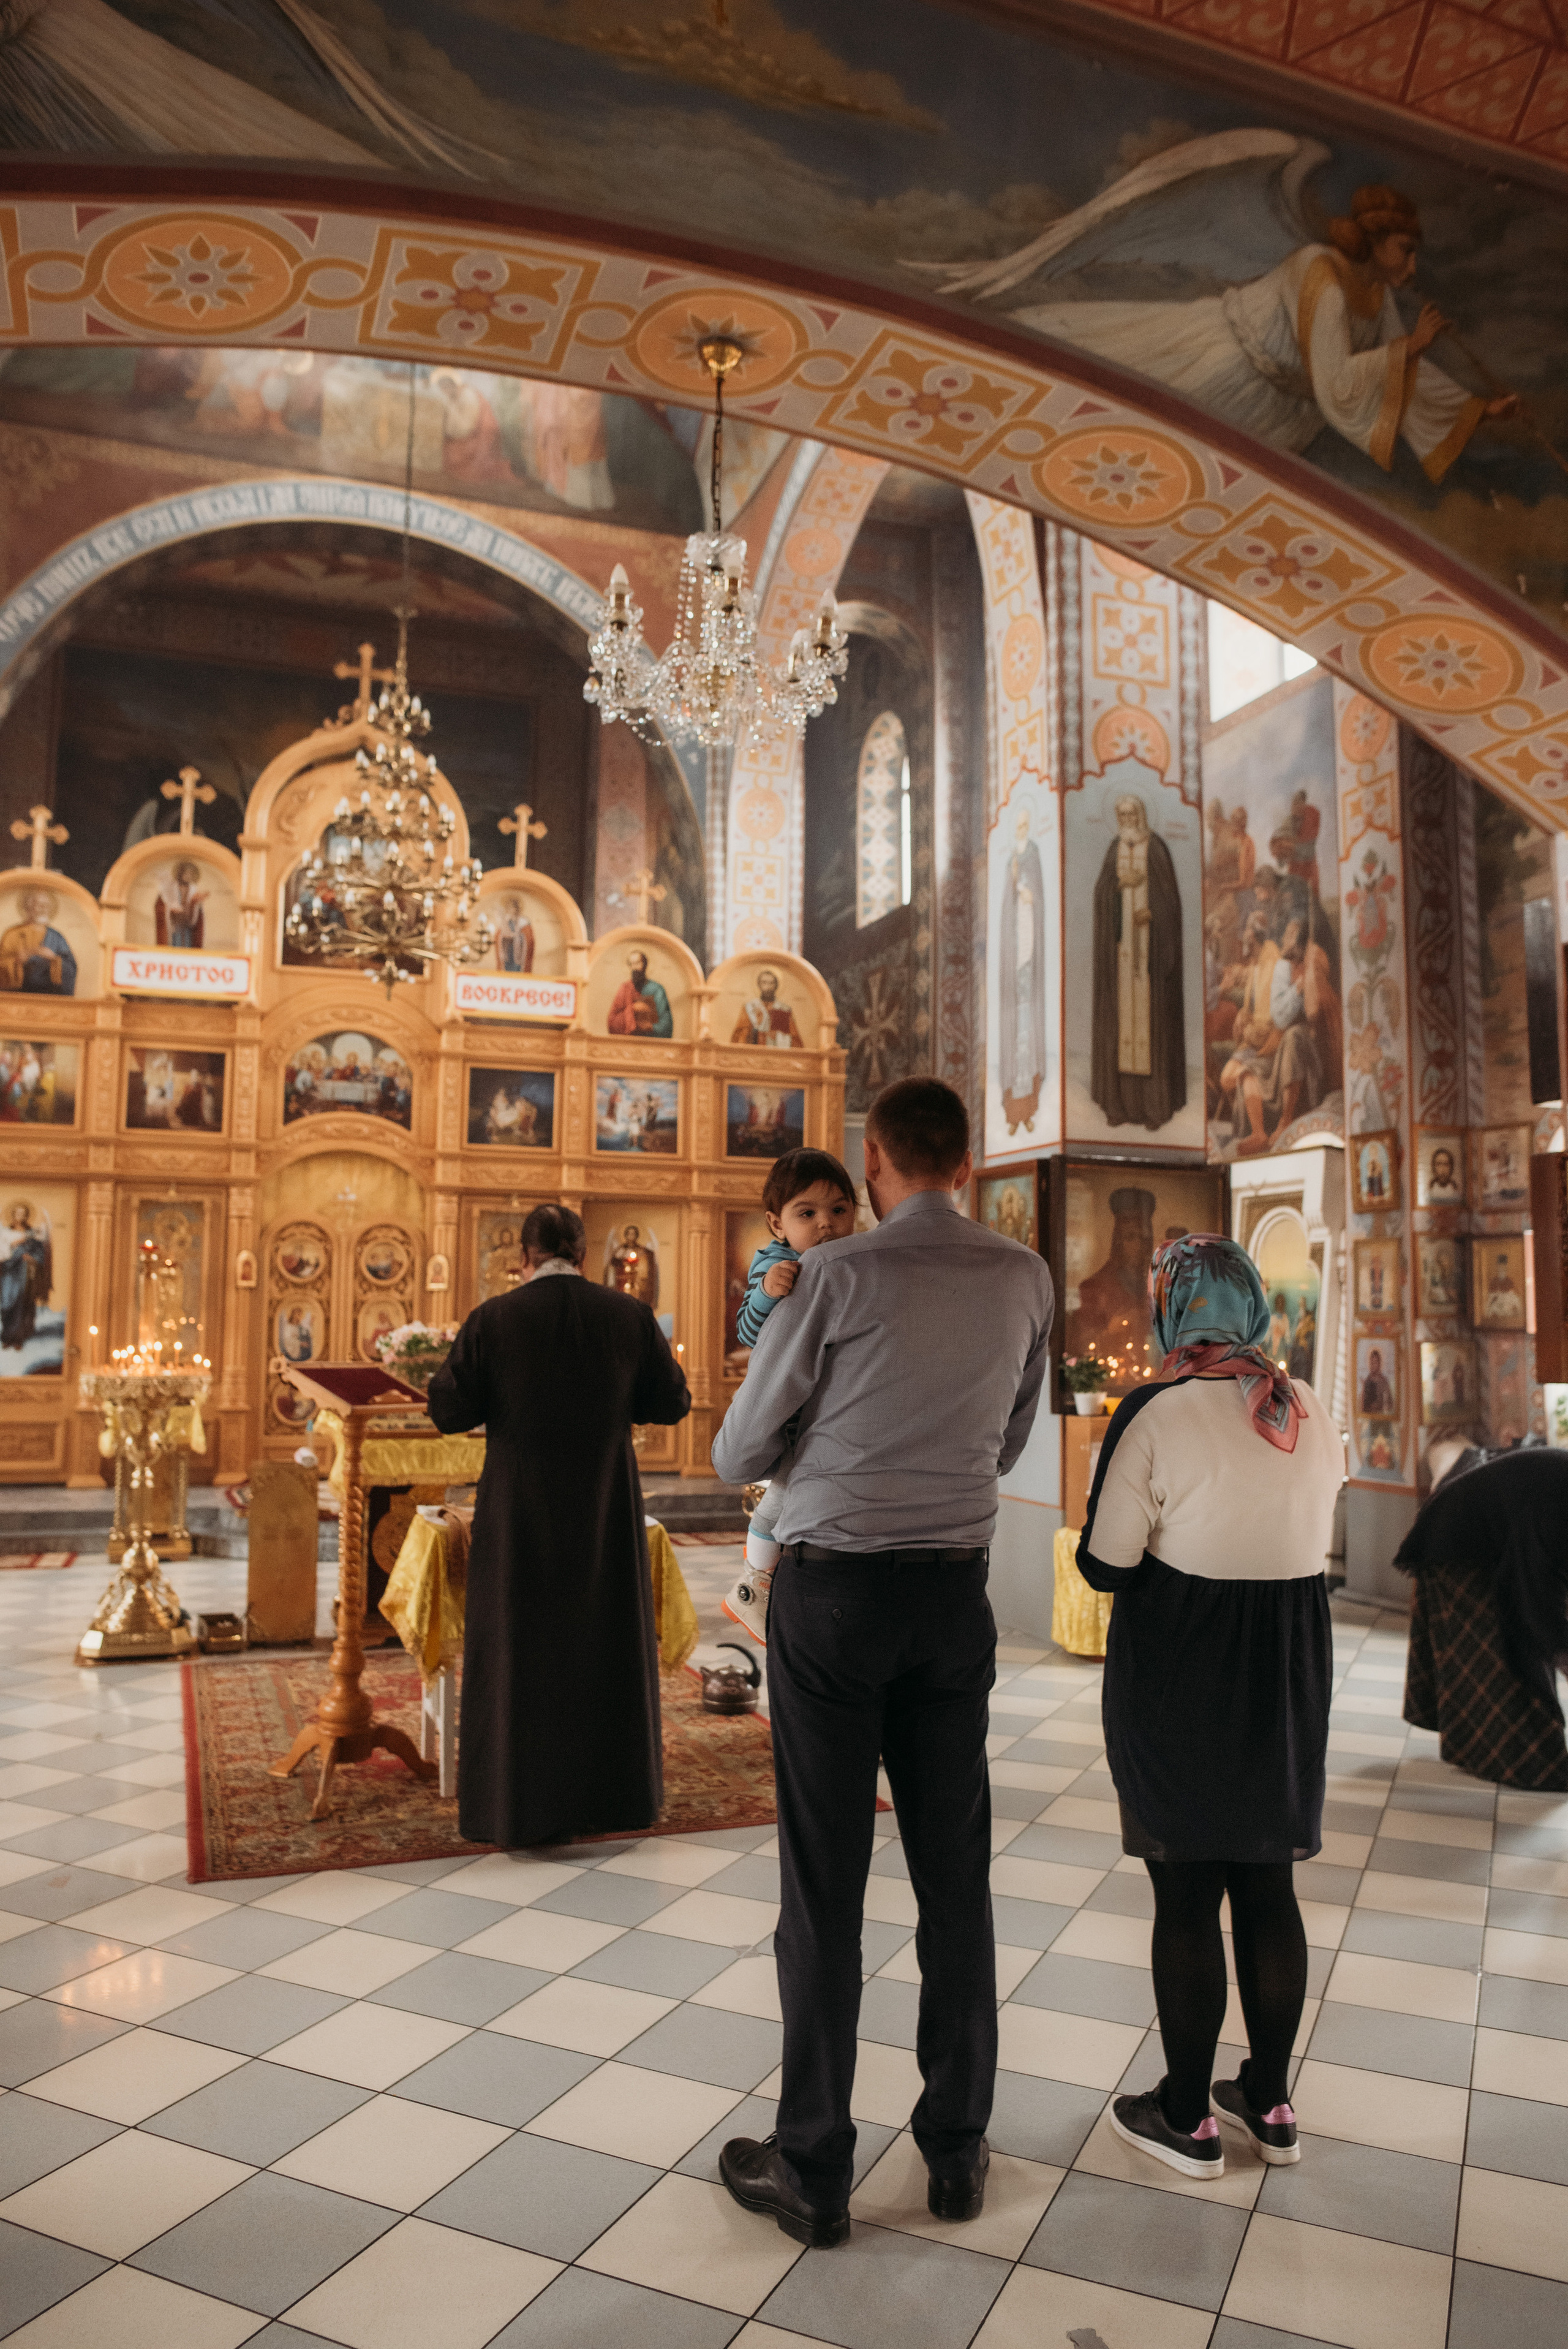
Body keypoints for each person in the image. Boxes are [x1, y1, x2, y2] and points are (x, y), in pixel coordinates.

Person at [712, 1077, 1053, 2248]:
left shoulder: (839, 1276)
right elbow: (1011, 1430)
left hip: (839, 1593)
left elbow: (740, 1444)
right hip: (952, 1595)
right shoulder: (1024, 1276)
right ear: (966, 1161)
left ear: (874, 1161)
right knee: (955, 1873)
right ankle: (957, 2149)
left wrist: (828, 1439)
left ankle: (813, 2162)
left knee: (825, 1877)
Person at [1076, 1234, 1344, 2179]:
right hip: (1287, 1669)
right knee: (1269, 1886)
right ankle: (1270, 2102)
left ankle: (1186, 2113)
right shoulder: (1305, 1402)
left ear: (1170, 1309)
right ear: (1255, 1308)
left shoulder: (1156, 1409)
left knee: (1186, 1890)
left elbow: (1105, 1563)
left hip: (1185, 1663)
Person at [427, 1201, 690, 1845]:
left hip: (520, 1511)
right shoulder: (628, 1315)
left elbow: (448, 1411)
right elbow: (673, 1402)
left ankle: (522, 1809)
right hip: (605, 1506)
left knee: (522, 1650)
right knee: (604, 1642)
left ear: (522, 1258)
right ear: (581, 1253)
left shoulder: (495, 1317)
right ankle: (616, 1798)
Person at [720, 1148, 859, 1644]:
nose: (826, 1225)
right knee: (782, 1492)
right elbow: (747, 1329)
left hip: (818, 1407)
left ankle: (759, 1583)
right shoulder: (776, 1264)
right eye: (808, 1214)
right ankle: (752, 1587)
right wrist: (765, 1295)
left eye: (839, 1211)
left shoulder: (847, 1262)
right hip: (787, 1408)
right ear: (776, 1225)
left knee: (790, 1489)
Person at [1396, 1450, 1568, 1790]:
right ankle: (1527, 1765)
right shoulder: (1558, 1505)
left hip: (1496, 1543)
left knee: (1513, 1649)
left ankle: (1474, 1750)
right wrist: (1561, 1647)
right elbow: (1536, 1585)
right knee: (1501, 1659)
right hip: (1458, 1541)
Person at [1090, 792, 1185, 1132]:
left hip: (1150, 956)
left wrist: (1153, 913)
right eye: (1121, 814)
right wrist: (1117, 888)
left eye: (1132, 813)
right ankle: (1119, 1107)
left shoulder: (1156, 848)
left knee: (1149, 1028)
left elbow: (1171, 902)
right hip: (1121, 957)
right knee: (1120, 1028)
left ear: (1141, 814)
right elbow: (1101, 893)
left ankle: (1154, 1109)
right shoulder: (1115, 849)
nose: (1127, 819)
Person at [607, 948, 673, 1037]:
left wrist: (652, 1027)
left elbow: (667, 1025)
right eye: (631, 964)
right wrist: (633, 1008)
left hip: (652, 1042)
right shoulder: (625, 988)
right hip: (629, 1041)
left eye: (638, 963)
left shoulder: (657, 989)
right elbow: (612, 1022)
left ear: (645, 965)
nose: (634, 968)